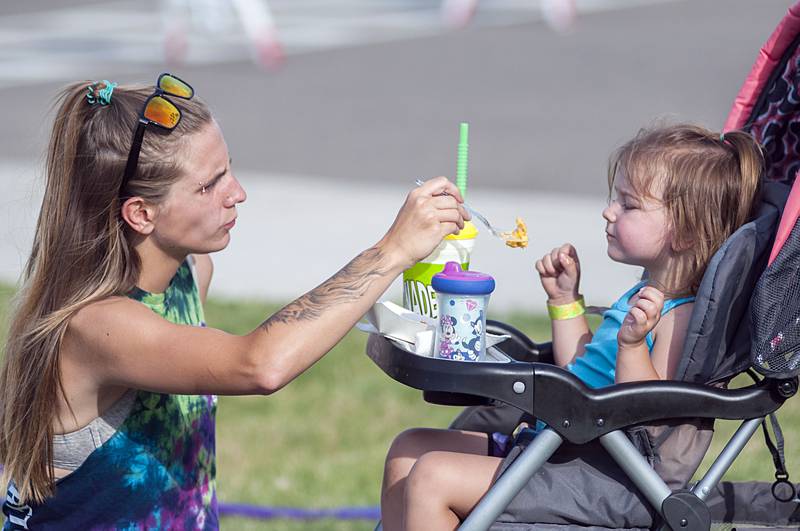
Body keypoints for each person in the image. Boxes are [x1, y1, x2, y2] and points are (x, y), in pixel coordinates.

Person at [0, 74, 468, 529]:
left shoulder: (188, 273)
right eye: (209, 185)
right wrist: (391, 252)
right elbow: (258, 365)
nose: (237, 194)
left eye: (228, 171)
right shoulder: (100, 325)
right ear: (141, 214)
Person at [379, 123, 764, 530]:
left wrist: (633, 346)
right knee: (408, 448)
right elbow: (580, 372)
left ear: (684, 234)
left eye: (628, 205)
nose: (609, 211)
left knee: (432, 477)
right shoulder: (644, 296)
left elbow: (650, 415)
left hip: (606, 477)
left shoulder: (677, 315)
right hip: (560, 447)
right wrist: (565, 303)